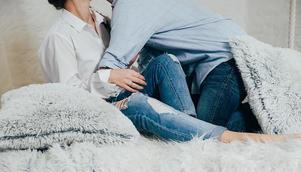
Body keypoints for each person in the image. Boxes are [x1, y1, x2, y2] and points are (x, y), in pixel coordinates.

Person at [39, 0, 300, 143]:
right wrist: (108, 76)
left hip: (224, 62)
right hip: (106, 103)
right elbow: (67, 95)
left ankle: (190, 128)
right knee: (140, 103)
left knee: (166, 61)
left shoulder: (105, 21)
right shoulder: (59, 36)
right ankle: (219, 134)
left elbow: (129, 60)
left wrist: (120, 72)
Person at [100, 0, 260, 132]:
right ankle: (258, 115)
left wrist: (98, 83)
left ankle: (260, 119)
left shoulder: (129, 4)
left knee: (200, 132)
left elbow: (113, 62)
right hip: (234, 54)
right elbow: (151, 59)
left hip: (227, 59)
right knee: (201, 126)